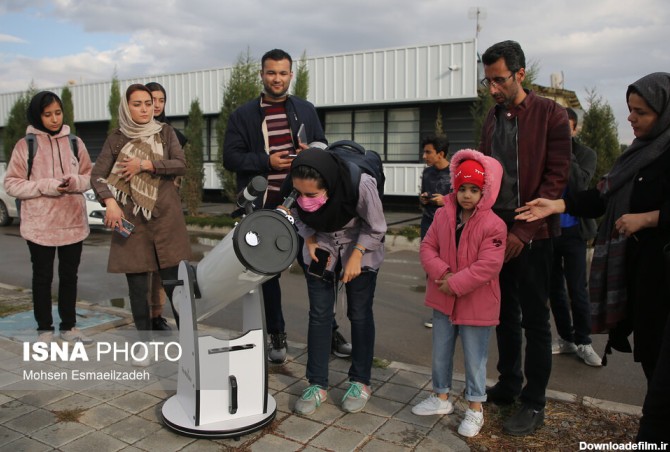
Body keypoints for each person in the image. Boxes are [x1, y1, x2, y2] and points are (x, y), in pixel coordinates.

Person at [515, 72, 670, 441]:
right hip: (642, 281)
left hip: (665, 278)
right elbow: (601, 197)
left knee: (663, 389)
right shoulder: (637, 154)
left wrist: (647, 219)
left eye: (641, 112)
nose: (631, 118)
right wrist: (558, 204)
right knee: (651, 360)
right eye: (630, 110)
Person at [223, 48, 351, 364]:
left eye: (282, 73)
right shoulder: (243, 115)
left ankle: (329, 330)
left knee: (317, 270)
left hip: (302, 207)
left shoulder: (305, 109)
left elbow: (324, 148)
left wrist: (314, 152)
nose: (277, 78)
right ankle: (276, 336)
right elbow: (230, 157)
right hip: (263, 210)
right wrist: (266, 161)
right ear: (262, 74)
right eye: (271, 72)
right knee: (268, 277)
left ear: (290, 75)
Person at [478, 40, 571, 436]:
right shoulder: (493, 118)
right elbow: (484, 174)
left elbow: (556, 178)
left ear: (520, 74)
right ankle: (510, 382)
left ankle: (534, 402)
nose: (493, 89)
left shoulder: (552, 114)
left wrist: (524, 230)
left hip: (536, 235)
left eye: (499, 80)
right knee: (503, 314)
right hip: (499, 232)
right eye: (488, 82)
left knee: (535, 318)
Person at [91, 84, 191, 365]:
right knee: (137, 288)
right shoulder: (116, 139)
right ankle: (143, 346)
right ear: (126, 107)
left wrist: (146, 165)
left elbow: (180, 164)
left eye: (148, 103)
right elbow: (97, 175)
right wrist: (109, 202)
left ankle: (189, 343)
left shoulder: (165, 132)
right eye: (137, 104)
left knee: (176, 285)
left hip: (166, 219)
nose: (145, 108)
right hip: (132, 220)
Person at [412, 149, 506, 438]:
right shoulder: (443, 215)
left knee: (475, 358)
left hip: (477, 303)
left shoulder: (494, 224)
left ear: (485, 191)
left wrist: (453, 282)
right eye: (462, 188)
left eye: (474, 190)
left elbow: (488, 266)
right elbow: (427, 247)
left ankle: (476, 408)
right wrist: (443, 274)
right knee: (440, 352)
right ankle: (441, 397)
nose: (466, 195)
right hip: (442, 299)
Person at [286, 147, 386, 415]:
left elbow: (376, 226)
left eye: (312, 195)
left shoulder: (360, 184)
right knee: (319, 314)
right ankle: (316, 384)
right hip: (322, 245)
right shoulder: (295, 181)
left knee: (360, 313)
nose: (304, 199)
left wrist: (356, 257)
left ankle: (360, 381)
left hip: (360, 245)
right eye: (301, 193)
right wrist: (308, 239)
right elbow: (295, 213)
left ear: (329, 184)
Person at [4, 91, 94, 345]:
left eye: (58, 113)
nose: (54, 119)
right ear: (37, 115)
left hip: (73, 222)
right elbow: (11, 184)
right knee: (42, 278)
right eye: (47, 114)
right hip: (40, 226)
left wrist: (74, 181)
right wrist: (46, 185)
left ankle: (69, 327)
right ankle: (44, 329)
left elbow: (90, 176)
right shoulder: (26, 145)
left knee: (69, 276)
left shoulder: (75, 142)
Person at [549, 107, 602, 366]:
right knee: (554, 289)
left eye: (565, 126)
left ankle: (584, 341)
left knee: (577, 289)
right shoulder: (544, 152)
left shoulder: (585, 154)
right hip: (548, 230)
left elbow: (581, 185)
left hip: (574, 232)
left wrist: (564, 152)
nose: (559, 131)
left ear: (574, 128)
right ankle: (566, 339)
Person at [144, 81, 188, 333]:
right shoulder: (133, 132)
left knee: (168, 268)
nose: (157, 105)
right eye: (152, 99)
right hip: (142, 206)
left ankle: (164, 317)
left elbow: (179, 166)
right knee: (146, 267)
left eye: (161, 100)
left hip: (167, 204)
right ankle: (149, 317)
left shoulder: (171, 133)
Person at [419, 133, 451, 329]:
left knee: (449, 267)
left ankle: (450, 311)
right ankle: (437, 312)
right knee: (431, 268)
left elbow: (466, 200)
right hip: (428, 224)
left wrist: (445, 200)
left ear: (440, 154)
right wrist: (423, 199)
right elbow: (424, 196)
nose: (424, 156)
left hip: (448, 226)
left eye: (428, 152)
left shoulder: (456, 173)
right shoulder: (427, 173)